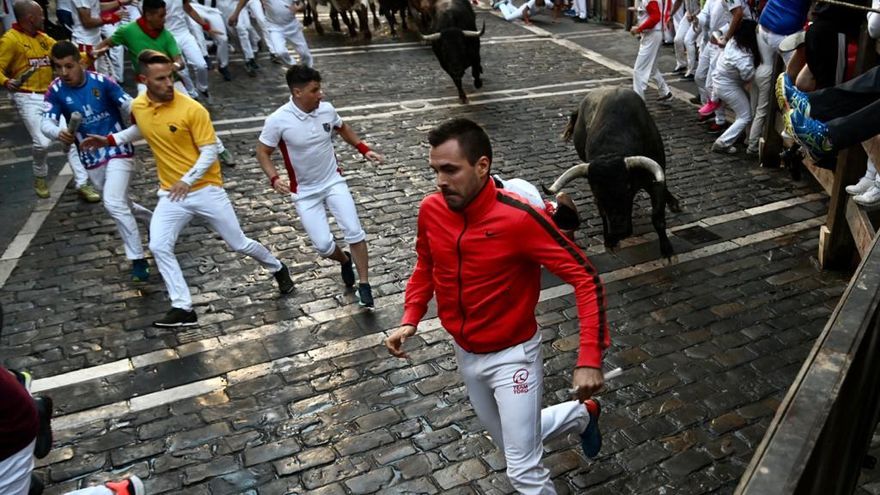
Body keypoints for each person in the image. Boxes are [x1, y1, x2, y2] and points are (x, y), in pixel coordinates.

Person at [385, 118, 608, 494]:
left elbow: (585, 277)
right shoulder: (431, 210)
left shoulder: (520, 218)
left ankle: (576, 416)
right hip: (466, 353)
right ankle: (579, 415)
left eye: (450, 170)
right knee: (512, 445)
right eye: (435, 170)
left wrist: (589, 357)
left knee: (522, 470)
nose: (440, 180)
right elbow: (426, 264)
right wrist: (411, 317)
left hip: (514, 356)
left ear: (482, 166)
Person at [82, 50, 294, 327]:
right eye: (160, 79)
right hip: (171, 194)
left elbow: (209, 152)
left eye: (170, 76)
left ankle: (277, 267)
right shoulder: (139, 106)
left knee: (237, 243)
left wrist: (187, 180)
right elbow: (141, 130)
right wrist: (109, 140)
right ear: (144, 80)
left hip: (206, 190)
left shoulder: (193, 109)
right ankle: (183, 307)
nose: (168, 83)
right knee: (159, 246)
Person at [256, 65, 380, 307]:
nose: (320, 95)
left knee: (354, 231)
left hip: (333, 181)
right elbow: (262, 151)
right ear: (297, 92)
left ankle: (364, 285)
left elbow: (342, 128)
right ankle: (344, 260)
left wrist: (364, 149)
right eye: (315, 90)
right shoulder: (278, 120)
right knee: (323, 246)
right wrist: (274, 178)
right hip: (304, 193)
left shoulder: (326, 110)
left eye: (320, 89)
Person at [42, 40, 153, 281]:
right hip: (90, 159)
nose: (64, 73)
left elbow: (129, 105)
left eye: (69, 66)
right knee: (121, 203)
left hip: (118, 150)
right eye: (58, 67)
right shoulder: (55, 90)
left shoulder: (102, 83)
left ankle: (138, 259)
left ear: (80, 62)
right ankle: (150, 220)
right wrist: (57, 133)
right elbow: (45, 122)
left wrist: (141, 116)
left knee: (113, 203)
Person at [92, 0, 237, 166]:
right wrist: (93, 55)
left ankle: (220, 149)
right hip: (144, 85)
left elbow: (179, 61)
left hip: (172, 82)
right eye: (161, 16)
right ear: (149, 15)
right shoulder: (128, 31)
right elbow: (105, 45)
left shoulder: (166, 35)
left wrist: (170, 69)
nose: (164, 19)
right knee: (141, 117)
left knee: (196, 114)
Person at [0, 0, 100, 201]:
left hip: (51, 94)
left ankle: (83, 183)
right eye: (40, 15)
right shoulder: (10, 40)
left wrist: (89, 55)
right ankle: (39, 174)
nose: (44, 18)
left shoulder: (45, 39)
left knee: (69, 137)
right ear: (30, 18)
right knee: (42, 143)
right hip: (27, 97)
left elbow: (67, 54)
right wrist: (6, 81)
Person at [743, 0, 809, 155]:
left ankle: (752, 136)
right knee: (799, 80)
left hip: (765, 24)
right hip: (782, 31)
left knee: (768, 82)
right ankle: (790, 127)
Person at [708, 19, 760, 154]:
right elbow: (748, 76)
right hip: (727, 86)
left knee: (742, 111)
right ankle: (722, 142)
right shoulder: (743, 57)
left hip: (721, 82)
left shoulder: (734, 42)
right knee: (745, 115)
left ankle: (743, 137)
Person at [228, 0, 312, 67]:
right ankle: (293, 67)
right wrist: (236, 14)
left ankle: (308, 70)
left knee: (305, 54)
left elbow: (302, 5)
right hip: (275, 27)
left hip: (292, 25)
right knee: (280, 52)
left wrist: (298, 8)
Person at [630, 0, 673, 101]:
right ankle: (665, 91)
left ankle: (638, 101)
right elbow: (665, 8)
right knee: (652, 67)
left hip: (652, 34)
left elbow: (655, 17)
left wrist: (639, 29)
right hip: (655, 33)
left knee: (639, 71)